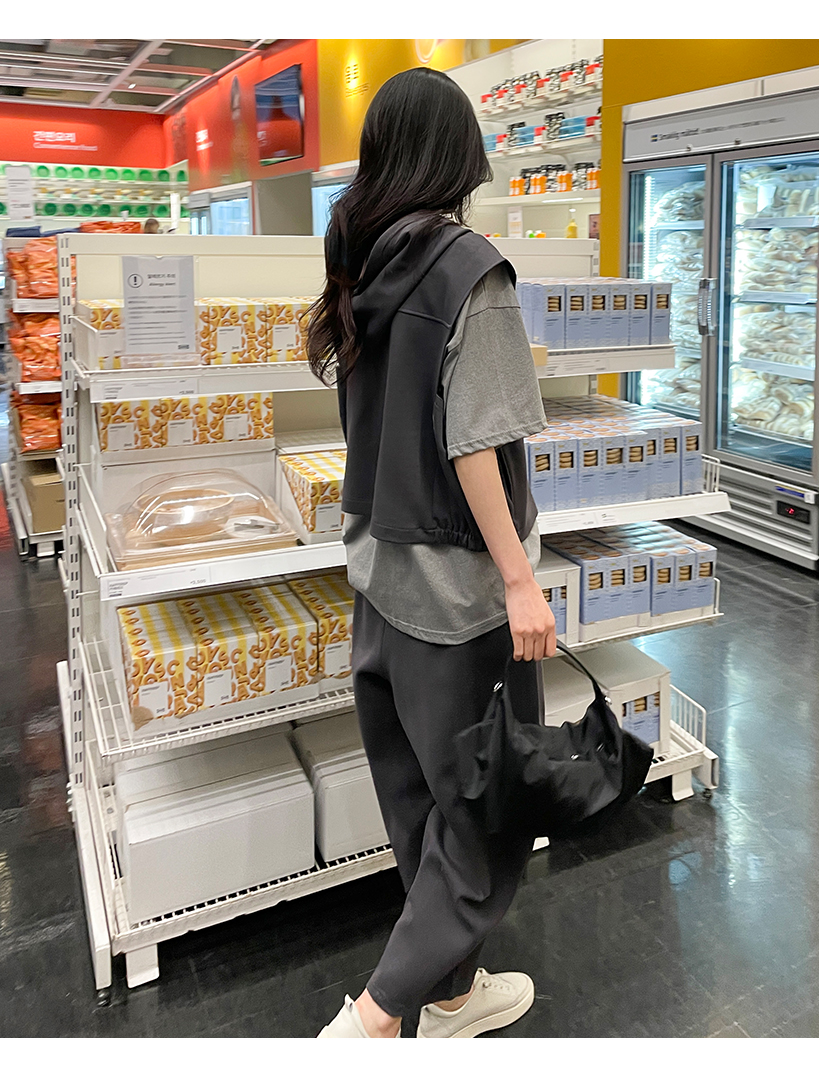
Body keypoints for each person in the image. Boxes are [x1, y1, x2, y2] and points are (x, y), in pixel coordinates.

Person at [307, 67, 556, 1039]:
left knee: (417, 804)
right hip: (457, 596)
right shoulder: (468, 273)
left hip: (380, 578)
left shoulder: (363, 264)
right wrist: (521, 580)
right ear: (460, 155)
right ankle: (374, 1021)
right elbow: (475, 445)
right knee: (487, 815)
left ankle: (451, 997)